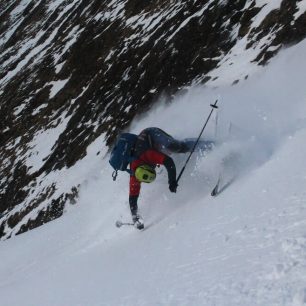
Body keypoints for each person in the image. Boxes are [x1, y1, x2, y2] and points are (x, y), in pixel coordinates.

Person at [128, 127, 213, 229]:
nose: (153, 167)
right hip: (149, 145)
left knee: (175, 147)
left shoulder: (148, 155)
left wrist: (171, 181)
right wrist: (135, 217)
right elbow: (133, 197)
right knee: (168, 151)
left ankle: (209, 144)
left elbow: (168, 162)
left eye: (151, 168)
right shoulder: (135, 176)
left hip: (151, 134)